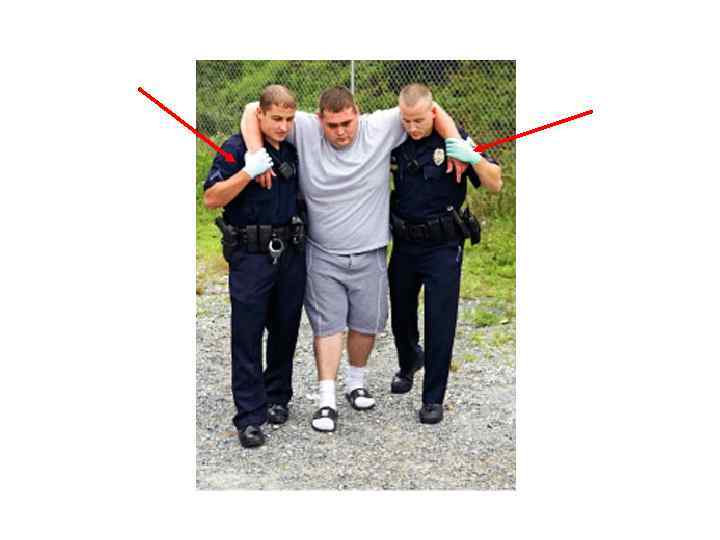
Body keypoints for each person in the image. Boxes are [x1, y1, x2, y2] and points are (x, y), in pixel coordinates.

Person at [241, 86, 466, 432]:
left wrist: (455, 144)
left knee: (366, 324)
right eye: (332, 125)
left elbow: (429, 108)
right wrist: (256, 153)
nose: (341, 132)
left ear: (357, 114)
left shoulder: (380, 127)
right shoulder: (303, 128)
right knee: (328, 326)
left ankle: (355, 383)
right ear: (320, 120)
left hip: (370, 250)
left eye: (347, 123)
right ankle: (326, 399)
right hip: (323, 251)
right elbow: (251, 108)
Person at [388, 83, 503, 424]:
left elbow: (495, 182)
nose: (412, 127)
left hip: (443, 245)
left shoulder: (455, 139)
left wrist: (473, 157)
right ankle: (410, 360)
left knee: (440, 321)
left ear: (433, 112)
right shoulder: (395, 139)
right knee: (401, 315)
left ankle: (433, 398)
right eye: (407, 120)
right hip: (405, 243)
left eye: (419, 120)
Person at [203, 85, 306, 448]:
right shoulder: (235, 149)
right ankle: (249, 416)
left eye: (289, 119)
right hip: (250, 255)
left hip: (290, 252)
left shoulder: (292, 150)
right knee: (247, 335)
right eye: (276, 118)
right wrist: (247, 172)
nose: (282, 126)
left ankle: (277, 397)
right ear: (259, 114)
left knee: (285, 329)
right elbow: (211, 198)